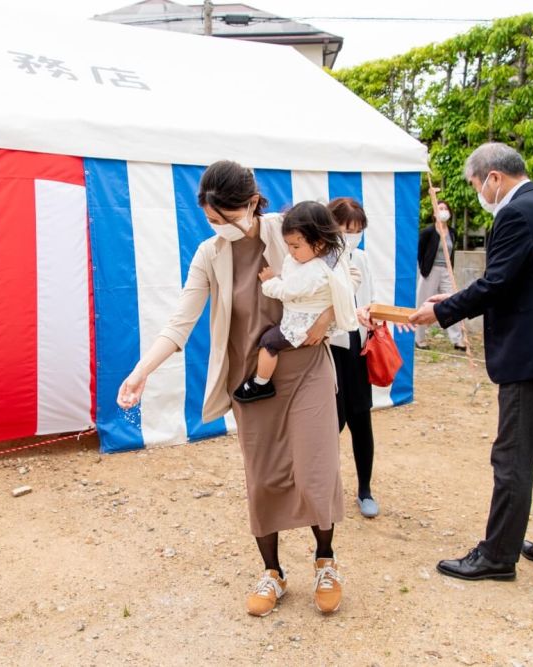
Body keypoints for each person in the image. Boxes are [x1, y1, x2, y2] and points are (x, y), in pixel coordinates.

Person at [116, 161, 347, 617]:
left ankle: (326, 560)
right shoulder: (209, 253)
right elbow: (181, 319)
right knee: (263, 477)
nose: (221, 226)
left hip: (305, 367)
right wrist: (141, 371)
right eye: (211, 220)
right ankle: (273, 572)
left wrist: (325, 320)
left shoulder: (289, 228)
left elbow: (345, 270)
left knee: (315, 466)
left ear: (252, 202)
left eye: (227, 217)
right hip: (252, 379)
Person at [409, 142, 533, 582]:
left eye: (476, 184)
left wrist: (442, 311)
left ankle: (497, 555)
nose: (478, 193)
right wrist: (453, 299)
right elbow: (513, 281)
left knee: (513, 457)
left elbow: (496, 285)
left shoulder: (515, 213)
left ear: (493, 177)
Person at [233, 201, 357, 403]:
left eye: (296, 246)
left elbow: (288, 291)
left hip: (304, 323)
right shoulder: (330, 256)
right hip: (317, 319)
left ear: (319, 243)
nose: (290, 251)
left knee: (268, 343)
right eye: (288, 245)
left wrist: (269, 282)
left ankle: (261, 383)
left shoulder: (313, 270)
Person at [327, 197, 383, 518]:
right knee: (329, 423)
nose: (353, 235)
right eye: (347, 229)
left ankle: (365, 490)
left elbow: (370, 299)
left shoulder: (361, 259)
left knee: (362, 420)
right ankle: (323, 488)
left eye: (358, 229)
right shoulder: (319, 259)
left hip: (357, 348)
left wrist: (372, 316)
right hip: (329, 352)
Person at [416, 198, 465, 351]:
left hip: (446, 272)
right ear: (434, 213)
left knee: (452, 302)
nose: (443, 211)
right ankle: (419, 338)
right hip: (430, 271)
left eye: (445, 208)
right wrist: (423, 269)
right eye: (440, 208)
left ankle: (457, 339)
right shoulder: (428, 232)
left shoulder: (452, 232)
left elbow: (451, 252)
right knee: (422, 303)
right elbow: (420, 252)